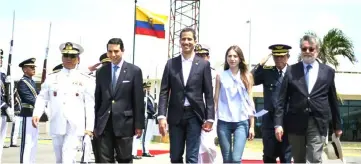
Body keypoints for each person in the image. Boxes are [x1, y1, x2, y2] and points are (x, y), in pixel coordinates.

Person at [274, 35, 343, 163]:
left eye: (311, 49)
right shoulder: (291, 70)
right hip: (296, 122)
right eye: (304, 49)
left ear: (317, 50)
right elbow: (281, 100)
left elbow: (333, 100)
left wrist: (337, 125)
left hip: (318, 122)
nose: (307, 52)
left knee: (315, 158)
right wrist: (278, 124)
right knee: (299, 159)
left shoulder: (328, 72)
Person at [157, 27, 215, 163]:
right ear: (179, 41)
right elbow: (164, 92)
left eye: (189, 39)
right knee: (175, 156)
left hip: (195, 116)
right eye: (183, 39)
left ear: (195, 41)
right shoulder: (171, 64)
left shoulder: (203, 65)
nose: (186, 42)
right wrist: (161, 116)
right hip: (175, 115)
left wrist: (210, 117)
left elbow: (208, 94)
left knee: (192, 157)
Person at [32, 42, 95, 163]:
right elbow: (42, 97)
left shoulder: (86, 80)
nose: (69, 59)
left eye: (72, 56)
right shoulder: (52, 78)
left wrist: (89, 128)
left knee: (68, 158)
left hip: (75, 126)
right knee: (60, 159)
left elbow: (89, 105)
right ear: (62, 58)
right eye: (66, 55)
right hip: (57, 122)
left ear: (78, 59)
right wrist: (37, 113)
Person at [94, 38, 144, 163]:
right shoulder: (101, 72)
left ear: (123, 51)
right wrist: (94, 123)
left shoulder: (134, 71)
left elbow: (138, 100)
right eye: (110, 52)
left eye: (116, 51)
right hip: (104, 122)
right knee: (104, 160)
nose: (113, 55)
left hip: (125, 123)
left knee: (124, 159)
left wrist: (139, 124)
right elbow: (98, 99)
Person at [213, 45, 255, 163]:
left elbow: (250, 102)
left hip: (241, 122)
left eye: (235, 56)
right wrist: (212, 120)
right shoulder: (220, 76)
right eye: (229, 56)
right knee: (227, 159)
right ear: (226, 58)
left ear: (240, 58)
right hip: (223, 121)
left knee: (236, 159)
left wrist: (252, 126)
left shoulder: (247, 76)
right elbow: (215, 99)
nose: (232, 59)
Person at [251, 44, 292, 163]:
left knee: (286, 157)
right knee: (269, 156)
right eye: (276, 57)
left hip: (287, 121)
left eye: (282, 56)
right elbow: (248, 79)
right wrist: (260, 64)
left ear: (288, 57)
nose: (279, 59)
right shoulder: (267, 72)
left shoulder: (294, 73)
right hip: (269, 122)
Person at [194, 44, 218, 164]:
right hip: (195, 112)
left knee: (209, 146)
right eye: (198, 55)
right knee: (197, 147)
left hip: (211, 114)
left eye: (203, 56)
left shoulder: (215, 74)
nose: (201, 58)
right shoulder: (191, 72)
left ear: (208, 57)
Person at [17, 57, 39, 164]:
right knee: (27, 142)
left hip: (34, 115)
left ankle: (31, 161)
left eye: (34, 67)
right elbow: (28, 98)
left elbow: (37, 95)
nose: (34, 69)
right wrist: (40, 104)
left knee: (34, 142)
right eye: (31, 67)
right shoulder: (23, 82)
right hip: (27, 114)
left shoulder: (31, 81)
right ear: (25, 69)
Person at [0, 49, 13, 159]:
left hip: (3, 113)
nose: (0, 60)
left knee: (1, 141)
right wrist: (5, 106)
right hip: (3, 108)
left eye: (1, 58)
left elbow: (7, 94)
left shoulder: (2, 75)